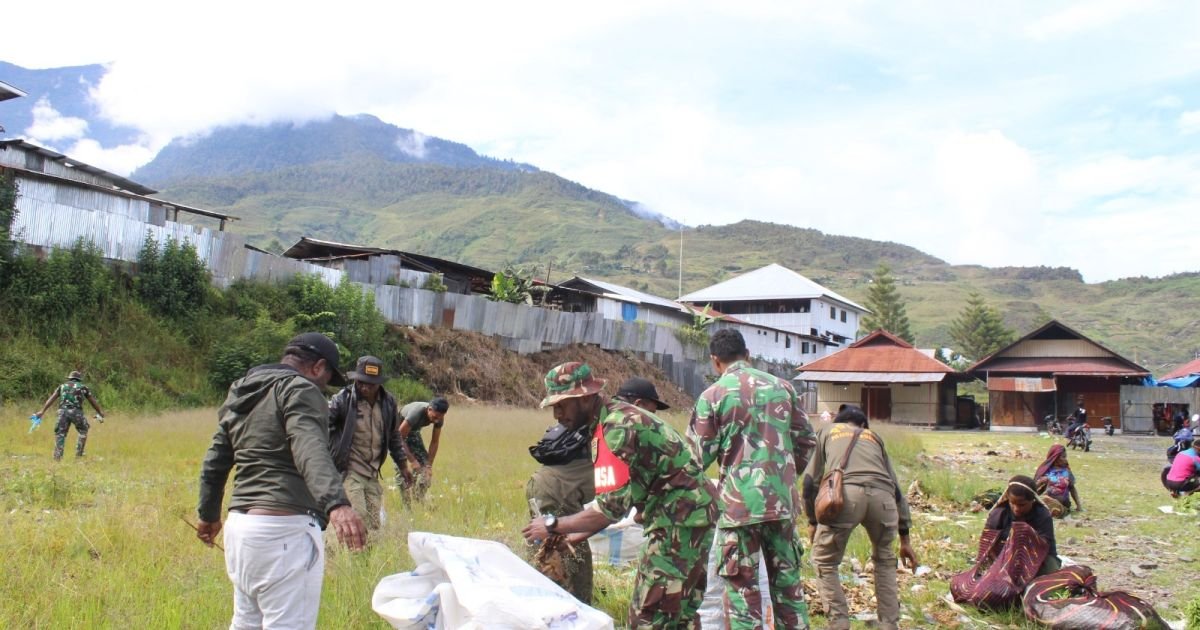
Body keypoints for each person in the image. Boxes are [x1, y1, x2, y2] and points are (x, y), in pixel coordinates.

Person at [521, 362, 717, 629]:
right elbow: (626, 495)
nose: (557, 414)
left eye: (562, 404)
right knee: (679, 613)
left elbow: (610, 509)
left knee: (650, 615)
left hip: (679, 520)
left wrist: (553, 524)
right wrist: (576, 534)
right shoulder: (611, 419)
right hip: (688, 515)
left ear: (586, 397)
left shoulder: (616, 428)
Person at [196, 332, 366, 629]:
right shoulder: (301, 390)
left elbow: (216, 460)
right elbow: (308, 446)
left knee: (246, 622)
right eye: (327, 378)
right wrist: (337, 503)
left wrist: (208, 515)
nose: (324, 386)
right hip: (283, 533)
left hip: (240, 530)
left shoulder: (242, 392)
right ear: (318, 367)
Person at [688, 329, 816, 629]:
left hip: (738, 509)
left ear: (715, 361)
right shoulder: (783, 388)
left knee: (743, 591)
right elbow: (807, 441)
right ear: (747, 355)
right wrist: (783, 477)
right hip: (781, 505)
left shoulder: (713, 396)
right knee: (788, 589)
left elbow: (695, 459)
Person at [802, 405, 918, 630]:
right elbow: (896, 489)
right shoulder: (873, 436)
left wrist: (812, 521)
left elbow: (809, 482)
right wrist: (905, 538)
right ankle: (889, 625)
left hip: (846, 497)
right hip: (883, 501)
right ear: (864, 425)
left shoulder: (828, 431)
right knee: (884, 562)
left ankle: (839, 623)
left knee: (825, 561)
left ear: (839, 421)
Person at [951, 475, 1060, 609]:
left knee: (1040, 586)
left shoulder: (1042, 515)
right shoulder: (998, 514)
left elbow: (1045, 546)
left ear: (1032, 500)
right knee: (975, 588)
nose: (1016, 508)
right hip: (1001, 561)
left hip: (1037, 562)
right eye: (1012, 503)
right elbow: (987, 548)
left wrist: (1023, 538)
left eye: (1022, 504)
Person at [328, 356, 410, 530]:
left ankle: (367, 556)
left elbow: (394, 436)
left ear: (379, 383)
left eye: (371, 384)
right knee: (356, 517)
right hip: (349, 470)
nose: (365, 387)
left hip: (372, 471)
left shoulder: (388, 403)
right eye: (361, 382)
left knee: (374, 523)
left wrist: (403, 466)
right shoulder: (343, 400)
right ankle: (340, 553)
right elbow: (322, 426)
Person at [33, 370, 106, 460]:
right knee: (83, 430)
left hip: (62, 412)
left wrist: (42, 411)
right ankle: (79, 455)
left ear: (69, 378)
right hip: (76, 412)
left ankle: (57, 457)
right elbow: (92, 401)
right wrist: (100, 412)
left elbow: (51, 399)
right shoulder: (83, 387)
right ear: (79, 380)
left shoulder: (62, 386)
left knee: (60, 433)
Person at [396, 397, 449, 504]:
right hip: (395, 434)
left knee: (426, 472)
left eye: (440, 417)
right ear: (429, 409)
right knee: (402, 470)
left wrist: (429, 465)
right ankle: (407, 507)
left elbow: (434, 441)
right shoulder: (416, 413)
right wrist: (412, 461)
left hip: (413, 432)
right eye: (435, 417)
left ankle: (418, 499)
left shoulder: (439, 417)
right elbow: (399, 438)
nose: (437, 420)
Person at [1033, 444, 1081, 517]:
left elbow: (1072, 488)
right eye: (1063, 457)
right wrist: (1041, 481)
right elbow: (1035, 489)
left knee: (1057, 505)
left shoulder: (1067, 472)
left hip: (1063, 502)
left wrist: (1078, 505)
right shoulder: (1045, 471)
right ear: (1055, 458)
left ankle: (1053, 508)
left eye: (1065, 457)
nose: (1065, 459)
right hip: (1047, 497)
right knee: (1045, 500)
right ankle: (1046, 506)